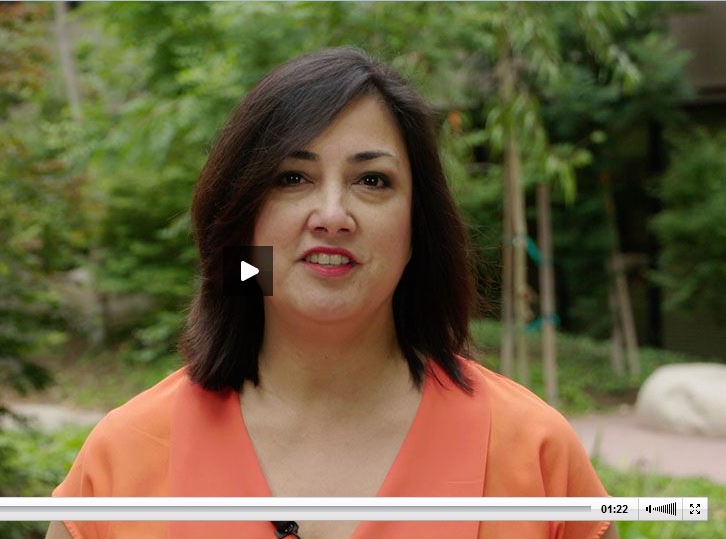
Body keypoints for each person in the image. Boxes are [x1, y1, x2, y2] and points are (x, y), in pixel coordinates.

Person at [46, 47, 620, 539]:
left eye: (372, 180)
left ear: (417, 228)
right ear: (241, 223)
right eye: (292, 178)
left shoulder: (537, 456)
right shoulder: (121, 461)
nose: (332, 215)